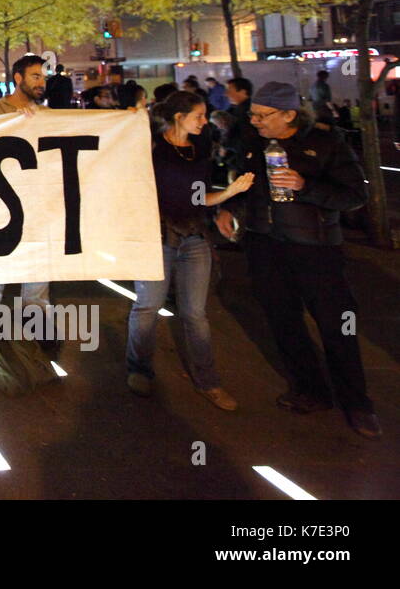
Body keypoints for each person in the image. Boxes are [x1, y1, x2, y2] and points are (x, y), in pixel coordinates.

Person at [216, 82, 379, 439]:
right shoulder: (251, 140)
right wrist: (229, 207)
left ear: (289, 114)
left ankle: (358, 403)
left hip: (315, 249)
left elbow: (355, 195)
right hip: (265, 246)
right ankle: (311, 390)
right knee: (283, 322)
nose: (254, 120)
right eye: (252, 113)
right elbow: (241, 182)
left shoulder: (326, 142)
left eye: (262, 115)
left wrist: (306, 187)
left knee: (336, 326)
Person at [128, 90, 252, 410]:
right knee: (147, 307)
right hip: (156, 237)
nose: (204, 120)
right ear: (179, 117)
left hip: (195, 237)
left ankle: (208, 382)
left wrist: (227, 197)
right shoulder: (149, 147)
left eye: (205, 116)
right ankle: (139, 369)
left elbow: (198, 197)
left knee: (195, 314)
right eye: (198, 115)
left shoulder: (200, 148)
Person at [0, 56, 52, 372]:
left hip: (38, 215)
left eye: (43, 76)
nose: (41, 82)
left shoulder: (46, 115)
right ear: (18, 78)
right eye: (35, 76)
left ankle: (34, 353)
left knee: (37, 292)